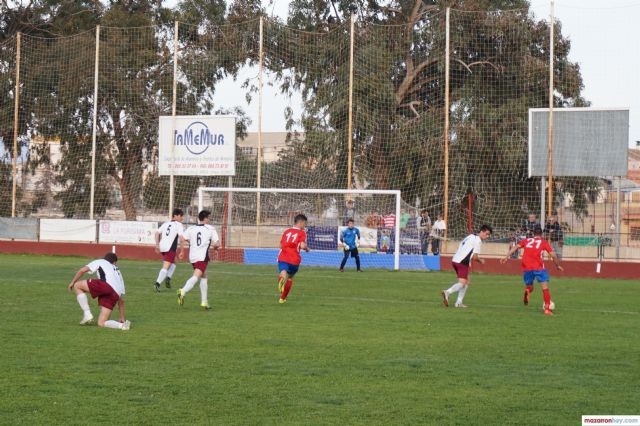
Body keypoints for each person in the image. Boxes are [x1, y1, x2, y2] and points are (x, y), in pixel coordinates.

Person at [501, 226, 563, 315]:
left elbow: (515, 247)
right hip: (538, 267)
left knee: (530, 287)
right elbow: (553, 255)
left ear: (533, 233)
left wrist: (506, 257)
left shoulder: (527, 240)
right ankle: (547, 309)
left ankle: (527, 291)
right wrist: (557, 265)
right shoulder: (543, 242)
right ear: (541, 234)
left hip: (526, 266)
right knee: (545, 288)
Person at [67, 252, 130, 330]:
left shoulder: (101, 261)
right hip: (115, 294)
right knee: (101, 323)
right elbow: (121, 299)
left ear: (105, 258)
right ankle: (122, 326)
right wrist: (121, 317)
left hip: (105, 286)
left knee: (77, 285)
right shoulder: (118, 273)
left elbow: (82, 270)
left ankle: (87, 314)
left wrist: (72, 282)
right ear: (114, 262)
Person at [441, 224, 493, 308]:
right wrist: (481, 261)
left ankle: (458, 302)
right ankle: (447, 292)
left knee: (467, 282)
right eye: (487, 234)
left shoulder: (471, 236)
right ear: (482, 231)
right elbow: (475, 257)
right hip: (462, 262)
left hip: (455, 260)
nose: (487, 236)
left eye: (489, 235)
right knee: (462, 283)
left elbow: (462, 245)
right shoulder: (478, 241)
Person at [177, 210, 220, 310]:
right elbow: (217, 243)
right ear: (205, 218)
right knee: (196, 276)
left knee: (204, 276)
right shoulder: (210, 229)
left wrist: (182, 251)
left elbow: (182, 238)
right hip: (202, 257)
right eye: (209, 217)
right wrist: (215, 247)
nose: (209, 219)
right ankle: (182, 291)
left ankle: (204, 302)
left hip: (192, 256)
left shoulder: (191, 228)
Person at [277, 213, 310, 303]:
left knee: (283, 272)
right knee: (290, 277)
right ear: (300, 222)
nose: (305, 225)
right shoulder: (302, 232)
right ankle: (282, 298)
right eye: (304, 223)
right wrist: (307, 249)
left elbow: (280, 245)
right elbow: (303, 246)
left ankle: (281, 280)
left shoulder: (287, 231)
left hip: (283, 256)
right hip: (294, 259)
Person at [153, 208, 185, 292]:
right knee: (166, 266)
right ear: (176, 216)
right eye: (181, 216)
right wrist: (182, 251)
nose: (182, 218)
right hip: (170, 248)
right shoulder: (178, 225)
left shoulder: (166, 223)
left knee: (175, 261)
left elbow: (156, 233)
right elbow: (181, 238)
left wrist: (157, 245)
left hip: (162, 246)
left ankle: (168, 278)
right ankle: (157, 284)